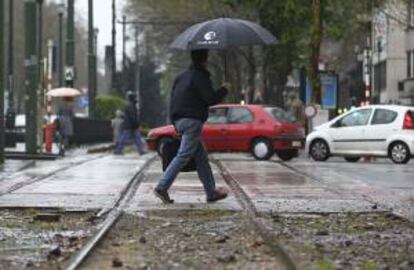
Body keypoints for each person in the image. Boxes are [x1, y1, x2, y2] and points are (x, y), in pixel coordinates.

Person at [154, 49, 229, 204]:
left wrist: (175, 124)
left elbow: (173, 100)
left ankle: (211, 192)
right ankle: (162, 187)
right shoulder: (200, 76)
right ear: (205, 59)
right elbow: (209, 99)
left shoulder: (181, 77)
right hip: (193, 121)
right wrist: (224, 89)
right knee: (183, 155)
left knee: (201, 158)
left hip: (180, 120)